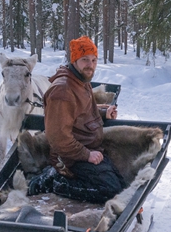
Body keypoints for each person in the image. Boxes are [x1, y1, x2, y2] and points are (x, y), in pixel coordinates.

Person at [36, 36, 124, 203]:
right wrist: (86, 155)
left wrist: (104, 113)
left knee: (120, 185)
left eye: (94, 60)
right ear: (74, 60)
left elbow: (81, 111)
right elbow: (58, 138)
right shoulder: (62, 91)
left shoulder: (81, 81)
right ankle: (53, 182)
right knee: (111, 191)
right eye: (84, 60)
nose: (90, 65)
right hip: (70, 158)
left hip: (89, 149)